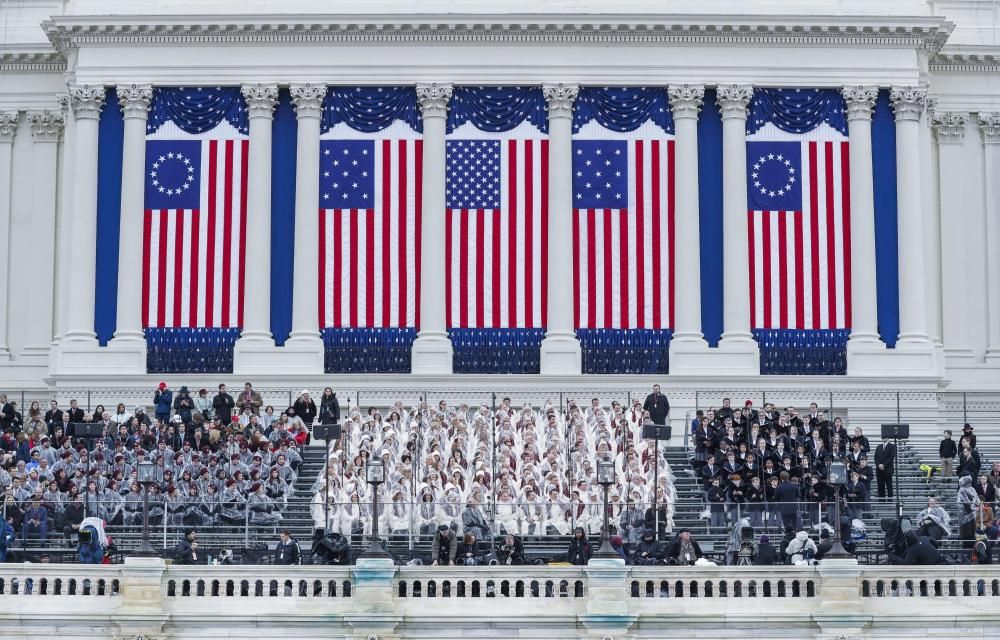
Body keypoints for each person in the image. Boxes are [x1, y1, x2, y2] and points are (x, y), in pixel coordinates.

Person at [958, 476, 981, 550]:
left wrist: (978, 505)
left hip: (972, 515)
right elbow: (966, 503)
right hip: (964, 516)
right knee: (966, 534)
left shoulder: (972, 489)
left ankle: (972, 550)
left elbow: (977, 500)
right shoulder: (962, 490)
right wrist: (974, 508)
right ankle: (966, 551)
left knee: (972, 533)